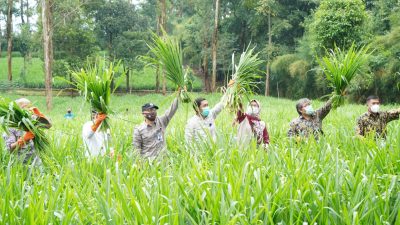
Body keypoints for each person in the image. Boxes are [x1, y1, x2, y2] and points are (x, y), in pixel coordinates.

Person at [2, 98, 51, 165]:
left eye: (29, 107)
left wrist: (40, 115)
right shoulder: (11, 126)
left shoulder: (32, 121)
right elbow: (10, 149)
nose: (27, 110)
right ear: (16, 110)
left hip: (36, 162)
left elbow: (48, 126)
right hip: (20, 164)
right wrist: (23, 140)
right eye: (24, 107)